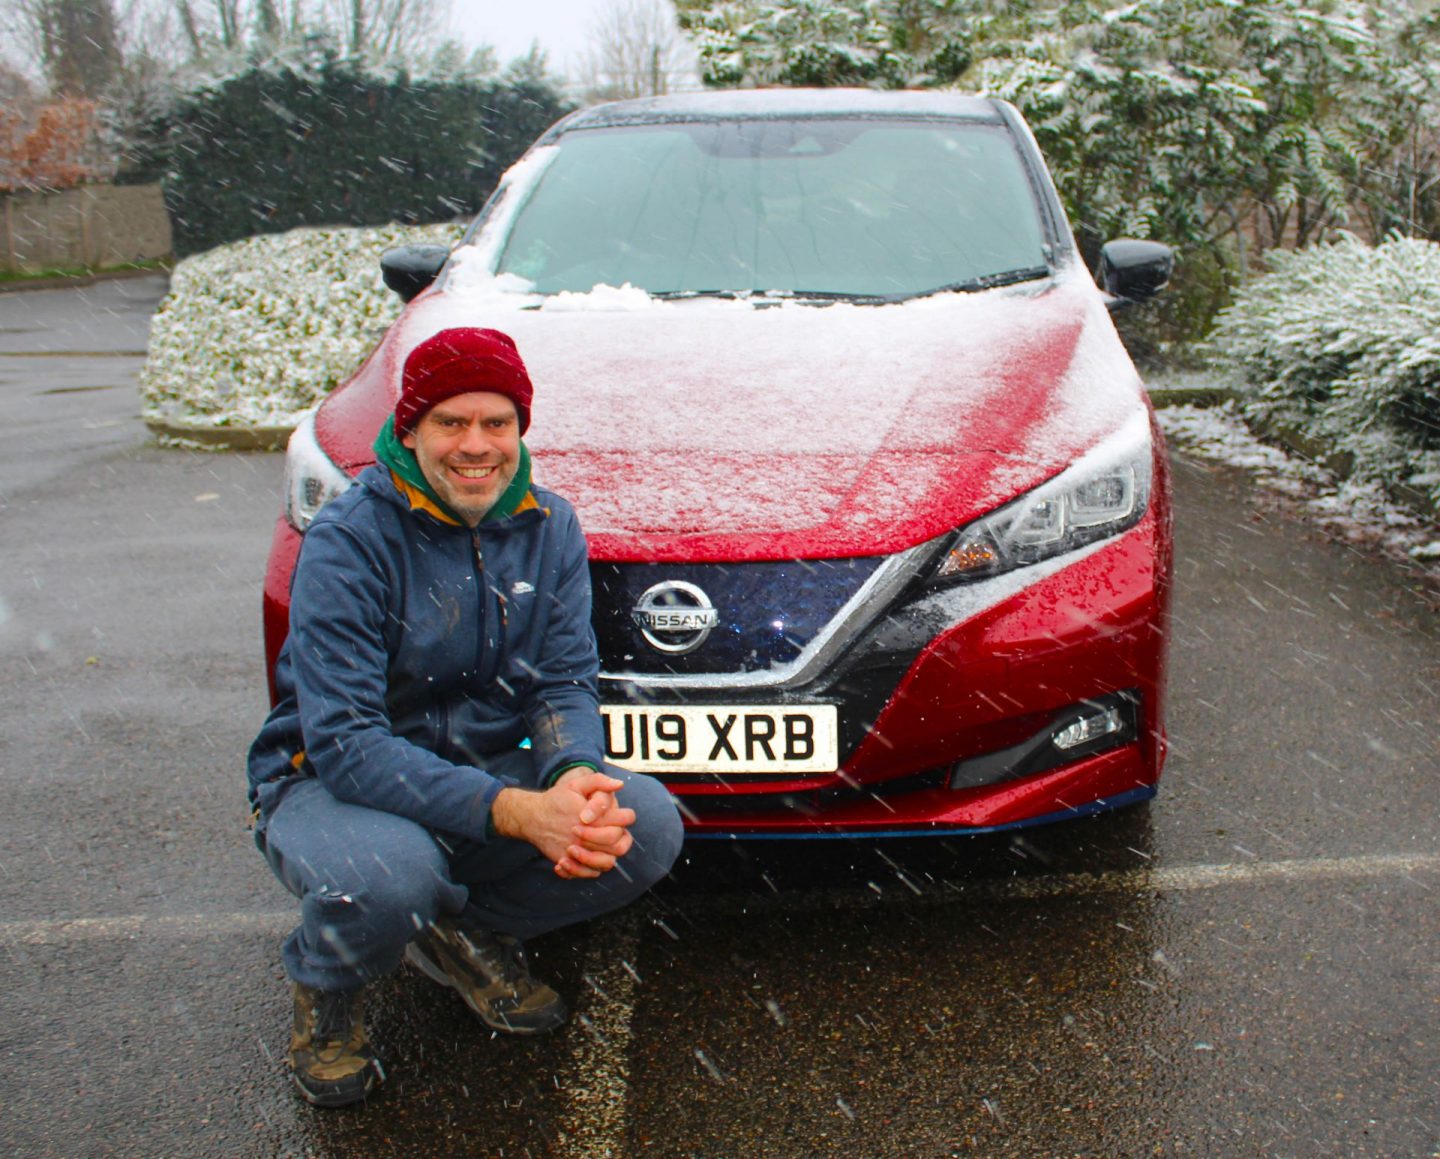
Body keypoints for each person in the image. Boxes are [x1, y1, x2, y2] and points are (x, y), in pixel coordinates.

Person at [246, 326, 684, 1108]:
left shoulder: (550, 527)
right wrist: (519, 813)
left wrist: (574, 776)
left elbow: (562, 684)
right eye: (451, 422)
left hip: (477, 767)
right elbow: (347, 745)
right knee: (389, 878)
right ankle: (328, 990)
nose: (476, 444)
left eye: (497, 422)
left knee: (642, 824)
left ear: (520, 430)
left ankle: (461, 929)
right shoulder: (350, 541)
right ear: (409, 431)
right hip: (331, 786)